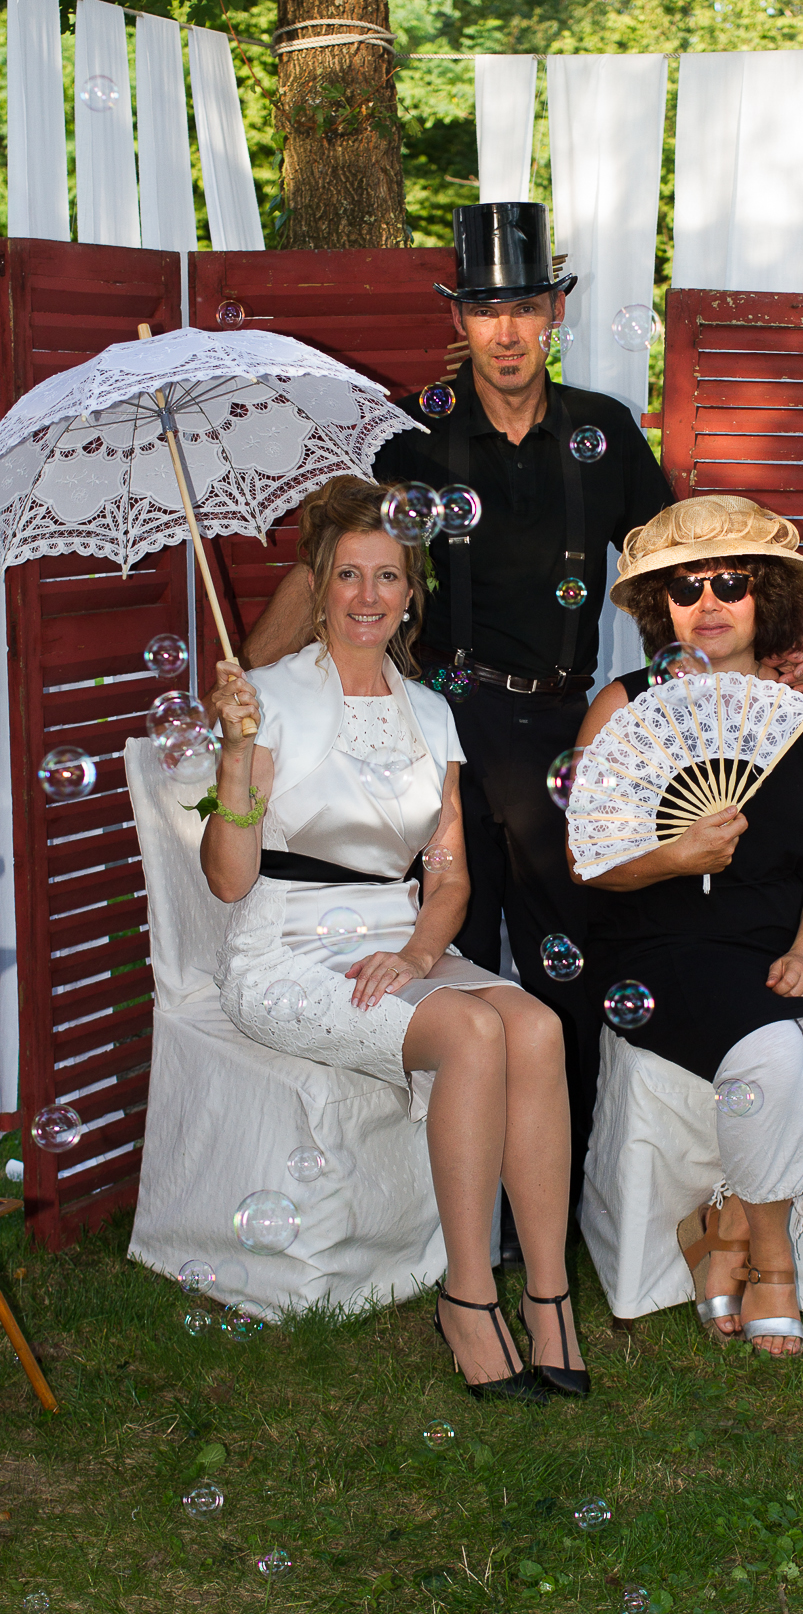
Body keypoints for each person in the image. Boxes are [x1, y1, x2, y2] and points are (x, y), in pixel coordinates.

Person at [235, 200, 803, 1231]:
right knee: (454, 975)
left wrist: (764, 646)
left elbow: (675, 572)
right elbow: (329, 566)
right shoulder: (408, 436)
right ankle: (463, 1221)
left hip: (557, 737)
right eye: (482, 309)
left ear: (555, 311)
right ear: (456, 318)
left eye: (524, 307)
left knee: (571, 978)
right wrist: (249, 676)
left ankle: (566, 1198)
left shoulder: (604, 433)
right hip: (440, 743)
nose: (505, 331)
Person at [202, 473, 588, 1401]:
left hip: (395, 944)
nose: (367, 596)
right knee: (474, 1030)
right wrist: (235, 755)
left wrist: (419, 955)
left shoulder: (430, 711)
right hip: (286, 950)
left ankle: (547, 1294)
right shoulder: (264, 698)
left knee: (537, 1026)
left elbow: (448, 877)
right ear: (318, 585)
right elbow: (228, 880)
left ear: (412, 590)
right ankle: (467, 1294)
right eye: (348, 575)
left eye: (387, 576)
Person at [567, 493, 803, 1356]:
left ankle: (723, 1223)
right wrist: (673, 858)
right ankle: (770, 1261)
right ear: (662, 608)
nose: (707, 603)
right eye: (684, 587)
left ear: (768, 597)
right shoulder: (623, 704)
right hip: (660, 941)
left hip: (779, 936)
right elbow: (587, 864)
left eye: (730, 582)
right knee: (772, 1059)